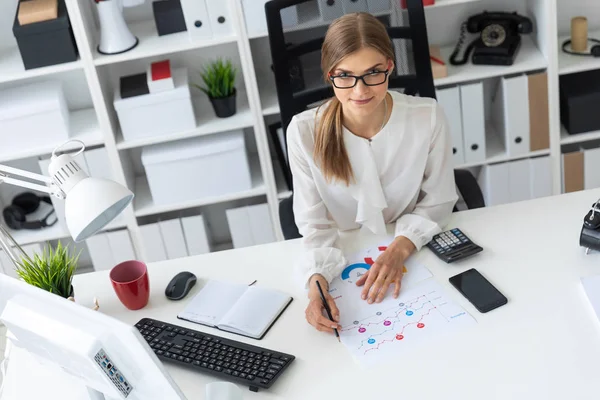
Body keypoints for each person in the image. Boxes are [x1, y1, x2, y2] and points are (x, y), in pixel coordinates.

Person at [285, 12, 459, 334]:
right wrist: (316, 286)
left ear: (390, 67)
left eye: (373, 73)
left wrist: (399, 250)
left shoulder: (427, 117)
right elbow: (314, 225)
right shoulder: (303, 132)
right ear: (329, 75)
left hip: (412, 245)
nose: (360, 90)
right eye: (345, 76)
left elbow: (437, 201)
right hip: (344, 253)